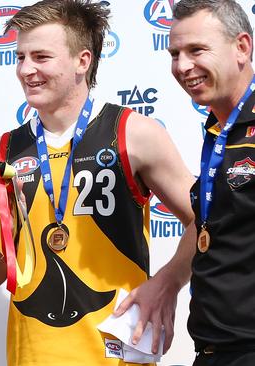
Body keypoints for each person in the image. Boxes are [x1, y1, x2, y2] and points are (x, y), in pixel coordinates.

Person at [0, 0, 196, 364]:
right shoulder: (2, 150)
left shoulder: (133, 133)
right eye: (20, 57)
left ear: (82, 61)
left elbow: (206, 217)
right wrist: (1, 223)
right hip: (32, 356)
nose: (26, 70)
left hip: (118, 355)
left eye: (41, 57)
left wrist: (168, 283)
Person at [161, 0, 255, 364]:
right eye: (175, 53)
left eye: (197, 50)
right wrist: (166, 282)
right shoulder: (219, 131)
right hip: (213, 351)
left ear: (242, 48)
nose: (183, 66)